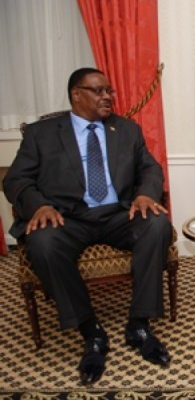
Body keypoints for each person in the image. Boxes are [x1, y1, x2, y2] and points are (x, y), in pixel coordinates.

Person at [3, 68, 173, 385]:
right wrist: (39, 205)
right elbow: (16, 180)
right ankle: (89, 329)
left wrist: (145, 195)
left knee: (158, 224)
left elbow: (149, 168)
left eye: (109, 91)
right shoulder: (42, 134)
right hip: (67, 217)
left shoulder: (126, 130)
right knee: (42, 242)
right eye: (98, 91)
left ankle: (139, 323)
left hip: (118, 213)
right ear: (76, 95)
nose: (107, 96)